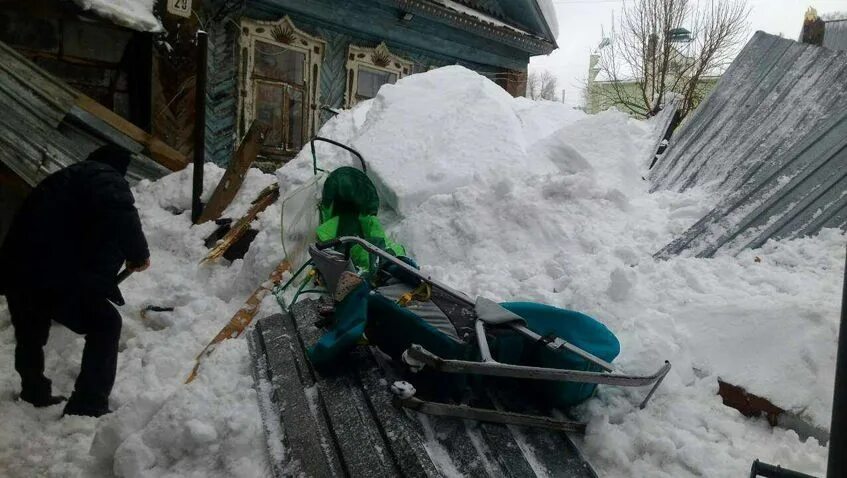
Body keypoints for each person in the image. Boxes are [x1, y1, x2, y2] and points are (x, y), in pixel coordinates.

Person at [0, 144, 150, 417]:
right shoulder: (103, 175)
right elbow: (120, 210)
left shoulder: (60, 181)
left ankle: (34, 391)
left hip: (18, 272)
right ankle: (88, 404)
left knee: (30, 334)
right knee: (106, 324)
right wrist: (138, 254)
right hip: (56, 273)